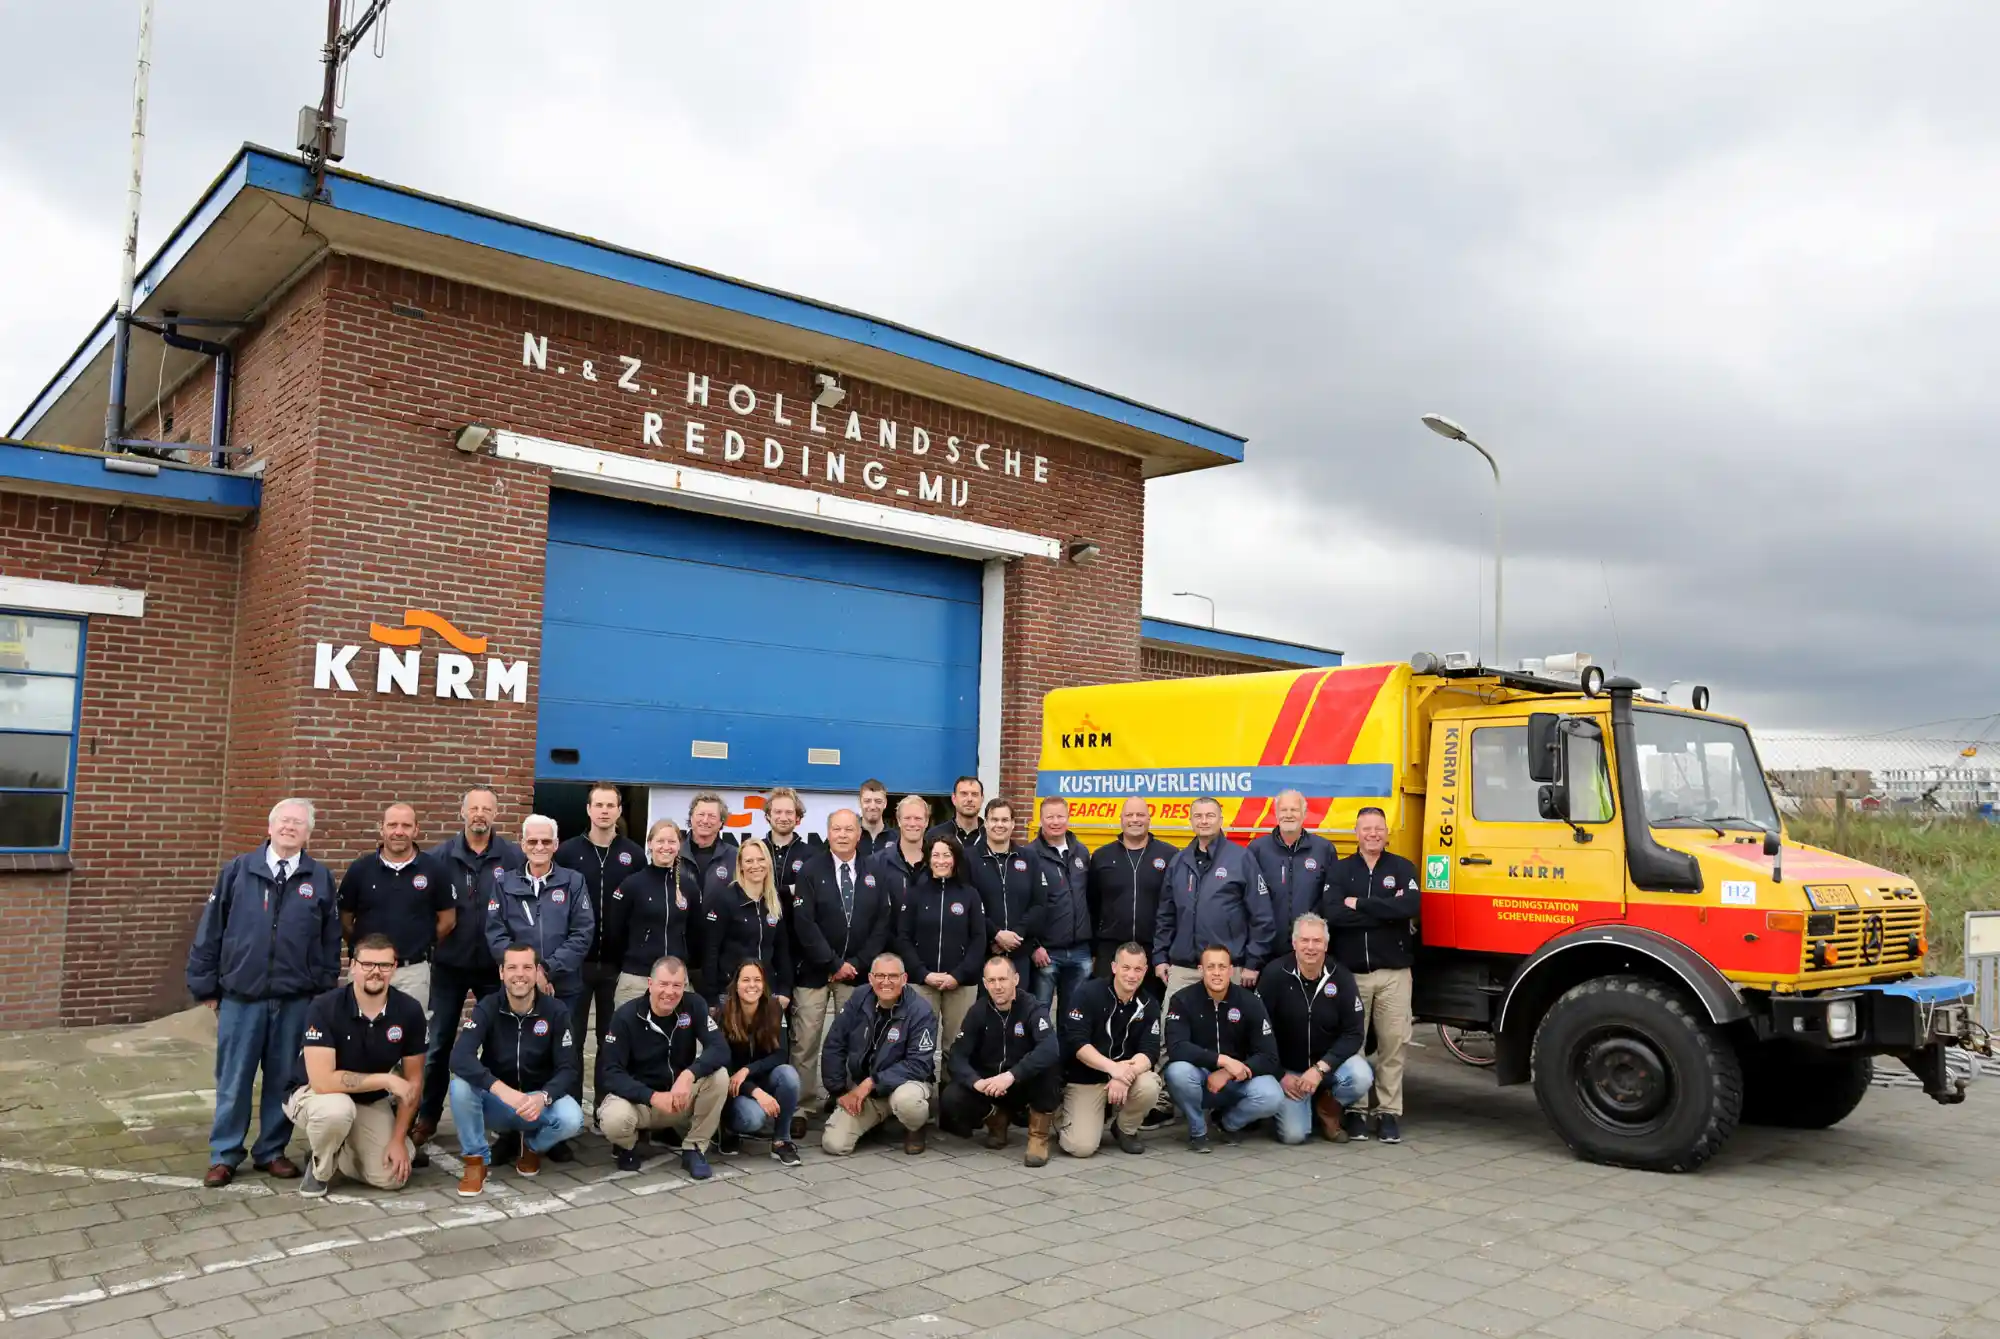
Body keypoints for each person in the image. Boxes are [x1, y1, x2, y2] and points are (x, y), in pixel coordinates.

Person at [186, 797, 340, 1187]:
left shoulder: (319, 877)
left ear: (309, 833)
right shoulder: (238, 871)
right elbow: (211, 931)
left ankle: (271, 1151)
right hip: (242, 997)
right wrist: (205, 984)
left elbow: (328, 941)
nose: (290, 828)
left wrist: (323, 992)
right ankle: (225, 1154)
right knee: (234, 1080)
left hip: (294, 999)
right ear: (269, 828)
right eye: (284, 822)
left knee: (282, 1080)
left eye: (298, 823)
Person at [415, 787, 523, 1159]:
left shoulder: (512, 857)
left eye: (486, 808)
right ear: (461, 812)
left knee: (503, 1045)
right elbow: (422, 908)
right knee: (437, 1045)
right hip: (449, 967)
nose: (480, 814)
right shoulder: (438, 858)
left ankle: (505, 1123)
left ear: (496, 813)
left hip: (495, 968)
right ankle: (426, 1117)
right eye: (473, 808)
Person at [287, 933, 426, 1197]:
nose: (376, 972)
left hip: (368, 1101)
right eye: (368, 964)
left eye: (384, 965)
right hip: (314, 1094)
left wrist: (398, 1139)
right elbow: (323, 1082)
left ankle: (341, 1147)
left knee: (392, 1176)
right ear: (353, 966)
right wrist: (386, 1080)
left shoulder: (409, 1010)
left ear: (394, 968)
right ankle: (320, 1170)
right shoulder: (324, 1006)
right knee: (337, 1111)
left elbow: (414, 1082)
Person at [447, 943, 584, 1195]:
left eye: (526, 967)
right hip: (499, 1101)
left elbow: (568, 1068)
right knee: (460, 1086)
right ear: (501, 973)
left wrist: (544, 1096)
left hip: (537, 1102)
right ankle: (476, 1162)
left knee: (572, 1118)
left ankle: (530, 1145)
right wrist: (500, 1089)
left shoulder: (556, 1011)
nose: (519, 974)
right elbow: (460, 1057)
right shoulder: (487, 1007)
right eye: (512, 967)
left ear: (536, 972)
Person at [789, 809, 893, 1136]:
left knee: (855, 1041)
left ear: (859, 834)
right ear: (828, 832)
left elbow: (882, 922)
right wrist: (833, 963)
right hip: (815, 971)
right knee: (805, 1041)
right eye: (837, 829)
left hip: (858, 974)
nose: (844, 834)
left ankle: (847, 1099)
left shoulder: (875, 869)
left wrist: (858, 963)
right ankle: (802, 1106)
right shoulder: (811, 869)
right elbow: (804, 923)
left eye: (850, 829)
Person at [1323, 805, 1420, 1144]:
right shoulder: (1340, 870)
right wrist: (1383, 909)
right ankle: (1357, 1111)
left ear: (1387, 832)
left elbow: (1408, 907)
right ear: (1356, 832)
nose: (1373, 834)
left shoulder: (1402, 867)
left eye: (1379, 828)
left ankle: (1389, 1112)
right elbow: (1332, 914)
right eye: (1367, 829)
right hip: (1352, 975)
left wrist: (1359, 904)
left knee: (1394, 1044)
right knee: (1354, 1045)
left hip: (1394, 973)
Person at [597, 955, 730, 1179]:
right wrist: (651, 1096)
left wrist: (689, 1074)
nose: (670, 992)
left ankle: (694, 1148)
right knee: (613, 1119)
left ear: (684, 986)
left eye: (677, 985)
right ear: (650, 984)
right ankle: (629, 1145)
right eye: (664, 984)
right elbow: (610, 1073)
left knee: (720, 1076)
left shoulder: (694, 1004)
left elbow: (720, 1048)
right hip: (641, 1103)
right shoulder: (625, 1016)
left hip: (678, 1099)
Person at [1257, 913, 1371, 1145]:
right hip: (1290, 1072)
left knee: (1361, 1075)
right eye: (1305, 940)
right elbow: (1257, 1032)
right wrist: (1280, 1075)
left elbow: (1354, 1033)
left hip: (1326, 1067)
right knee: (1294, 1136)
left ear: (1326, 945)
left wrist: (1320, 1070)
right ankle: (1295, 1106)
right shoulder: (1274, 974)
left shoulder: (1342, 977)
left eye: (1317, 941)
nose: (1311, 947)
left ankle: (1327, 1106)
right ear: (1294, 943)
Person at [1153, 796, 1277, 1002]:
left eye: (1210, 815)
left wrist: (1253, 963)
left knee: (1227, 1032)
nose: (1204, 821)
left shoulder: (1241, 859)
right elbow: (1166, 915)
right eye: (1198, 816)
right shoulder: (1178, 862)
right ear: (1191, 821)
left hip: (1227, 969)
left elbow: (1262, 915)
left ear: (1221, 820)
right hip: (1184, 970)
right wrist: (1160, 957)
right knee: (1173, 1029)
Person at [939, 957, 1061, 1165]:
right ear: (985, 984)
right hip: (990, 1085)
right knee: (952, 1096)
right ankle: (996, 1121)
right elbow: (958, 1056)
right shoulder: (977, 1011)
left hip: (1022, 1081)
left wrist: (1011, 1075)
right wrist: (976, 1082)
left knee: (1048, 1065)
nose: (997, 986)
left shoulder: (1032, 1007)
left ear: (1016, 979)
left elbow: (1050, 1047)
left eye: (1003, 979)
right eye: (992, 981)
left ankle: (1038, 1137)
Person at [1162, 945, 1284, 1152]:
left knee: (1272, 1095)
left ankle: (1227, 1124)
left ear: (1230, 971)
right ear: (1201, 970)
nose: (1216, 973)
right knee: (1177, 1071)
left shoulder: (1250, 1002)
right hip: (1198, 1079)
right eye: (1211, 967)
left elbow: (1269, 1056)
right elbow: (1176, 1048)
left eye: (1222, 967)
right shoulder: (1182, 999)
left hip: (1238, 1079)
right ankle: (1198, 1130)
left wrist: (1228, 1072)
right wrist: (1222, 1061)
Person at [819, 953, 938, 1156]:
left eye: (893, 976)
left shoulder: (921, 1010)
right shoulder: (858, 998)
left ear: (904, 979)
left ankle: (915, 1127)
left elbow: (919, 1065)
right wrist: (839, 1091)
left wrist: (870, 1083)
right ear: (871, 978)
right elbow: (834, 1044)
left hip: (906, 1085)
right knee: (834, 1144)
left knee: (907, 1102)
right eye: (880, 976)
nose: (886, 982)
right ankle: (876, 1120)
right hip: (868, 1090)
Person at [554, 783, 644, 1049]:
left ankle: (607, 1093)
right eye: (598, 805)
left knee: (612, 1041)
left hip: (617, 966)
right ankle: (570, 1092)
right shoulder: (567, 853)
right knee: (571, 1037)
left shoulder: (635, 855)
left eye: (610, 806)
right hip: (576, 964)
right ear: (588, 810)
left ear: (619, 811)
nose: (604, 811)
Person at [337, 802, 452, 1008]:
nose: (399, 832)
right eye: (392, 825)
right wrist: (366, 949)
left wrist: (419, 942)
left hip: (413, 972)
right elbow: (345, 921)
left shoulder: (435, 870)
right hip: (366, 969)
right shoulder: (360, 870)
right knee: (358, 1032)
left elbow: (448, 921)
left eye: (406, 826)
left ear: (416, 829)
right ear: (381, 828)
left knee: (411, 1035)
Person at [484, 816, 594, 1028]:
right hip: (517, 987)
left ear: (556, 844)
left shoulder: (574, 881)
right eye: (533, 842)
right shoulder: (503, 883)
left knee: (563, 1050)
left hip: (564, 987)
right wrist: (527, 972)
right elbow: (496, 933)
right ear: (523, 844)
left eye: (545, 841)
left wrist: (546, 969)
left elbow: (582, 933)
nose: (539, 847)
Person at [1057, 941, 1163, 1158]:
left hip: (1124, 1075)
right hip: (1085, 1077)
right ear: (1114, 967)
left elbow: (1150, 1051)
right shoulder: (1087, 994)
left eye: (1137, 969)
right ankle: (1060, 1115)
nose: (1131, 975)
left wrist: (1124, 1075)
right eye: (1126, 967)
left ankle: (1124, 1129)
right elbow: (1077, 1043)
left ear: (1145, 971)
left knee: (1150, 1084)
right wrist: (1113, 1068)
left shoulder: (1150, 1003)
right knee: (1081, 1148)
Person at [894, 835, 987, 1069]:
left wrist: (959, 975)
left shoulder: (970, 895)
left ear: (955, 859)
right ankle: (919, 1094)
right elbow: (903, 937)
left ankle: (952, 1097)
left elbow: (979, 939)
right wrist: (923, 973)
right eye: (936, 855)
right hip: (922, 983)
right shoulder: (915, 893)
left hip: (961, 984)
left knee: (957, 1044)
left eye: (947, 855)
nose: (941, 860)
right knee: (919, 1042)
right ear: (928, 858)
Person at [602, 818, 701, 1011]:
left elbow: (696, 932)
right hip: (637, 978)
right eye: (660, 841)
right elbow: (614, 932)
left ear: (679, 845)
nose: (666, 847)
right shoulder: (632, 884)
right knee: (630, 1037)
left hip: (676, 979)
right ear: (650, 844)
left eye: (672, 842)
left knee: (678, 1039)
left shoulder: (689, 887)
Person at [714, 959, 803, 1167]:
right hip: (733, 1087)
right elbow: (723, 1067)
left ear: (764, 984)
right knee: (754, 1119)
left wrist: (748, 1070)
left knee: (788, 1074)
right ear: (736, 984)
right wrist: (754, 1091)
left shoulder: (773, 1008)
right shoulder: (723, 1013)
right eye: (746, 980)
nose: (751, 985)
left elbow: (781, 1054)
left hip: (757, 1078)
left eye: (757, 980)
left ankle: (782, 1140)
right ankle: (726, 1128)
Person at [1086, 798, 1174, 989]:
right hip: (1110, 949)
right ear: (1121, 819)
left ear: (1150, 819)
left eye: (1140, 815)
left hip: (1154, 949)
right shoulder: (1102, 856)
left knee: (1150, 1007)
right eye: (1129, 815)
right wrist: (1093, 950)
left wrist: (1167, 951)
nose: (1135, 820)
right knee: (1105, 1004)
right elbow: (1092, 905)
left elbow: (1175, 906)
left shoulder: (1170, 855)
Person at [702, 837, 794, 1008]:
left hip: (766, 991)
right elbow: (711, 950)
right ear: (741, 865)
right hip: (730, 993)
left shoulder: (773, 901)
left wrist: (785, 990)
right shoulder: (724, 899)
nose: (755, 865)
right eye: (749, 861)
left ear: (768, 863)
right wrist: (711, 998)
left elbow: (782, 949)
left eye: (760, 859)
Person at [1026, 797, 1093, 1012]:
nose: (1055, 822)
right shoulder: (1029, 855)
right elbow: (1024, 904)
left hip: (1080, 950)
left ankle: (1070, 1048)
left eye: (1060, 816)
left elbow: (1090, 898)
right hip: (1046, 952)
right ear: (1040, 819)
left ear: (1068, 818)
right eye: (1049, 817)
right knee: (1040, 1013)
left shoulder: (1081, 852)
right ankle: (1043, 1048)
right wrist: (1034, 945)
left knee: (1075, 1015)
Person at [1247, 790, 1337, 949]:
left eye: (1294, 810)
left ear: (1304, 814)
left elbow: (1331, 901)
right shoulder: (1257, 850)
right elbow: (1249, 900)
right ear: (1276, 814)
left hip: (1310, 948)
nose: (1288, 815)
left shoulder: (1324, 849)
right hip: (1268, 948)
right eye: (1283, 810)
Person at [969, 798, 1043, 982]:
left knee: (1019, 1007)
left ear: (1013, 824)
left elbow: (1039, 904)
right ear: (985, 823)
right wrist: (995, 934)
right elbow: (968, 905)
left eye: (1004, 820)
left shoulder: (1029, 858)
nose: (999, 825)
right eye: (994, 820)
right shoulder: (968, 858)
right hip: (983, 953)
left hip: (1020, 955)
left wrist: (1016, 935)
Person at [871, 794, 932, 913]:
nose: (912, 823)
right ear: (898, 821)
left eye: (918, 818)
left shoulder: (939, 863)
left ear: (926, 822)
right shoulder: (876, 862)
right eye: (907, 818)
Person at [763, 786, 825, 898]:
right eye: (778, 812)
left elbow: (814, 891)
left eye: (789, 812)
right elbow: (748, 889)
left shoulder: (812, 855)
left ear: (797, 818)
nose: (783, 818)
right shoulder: (756, 851)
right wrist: (790, 889)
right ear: (768, 815)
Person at [685, 792, 740, 903]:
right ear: (691, 817)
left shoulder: (735, 856)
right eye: (701, 814)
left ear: (721, 822)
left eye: (712, 816)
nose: (705, 820)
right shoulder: (674, 852)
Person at [926, 775, 988, 856]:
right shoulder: (935, 835)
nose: (969, 799)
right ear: (954, 799)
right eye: (964, 794)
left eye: (974, 794)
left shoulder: (989, 835)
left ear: (982, 799)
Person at [856, 778, 893, 861]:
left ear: (885, 803)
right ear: (860, 802)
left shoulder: (897, 839)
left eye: (878, 801)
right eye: (867, 801)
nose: (872, 807)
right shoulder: (848, 835)